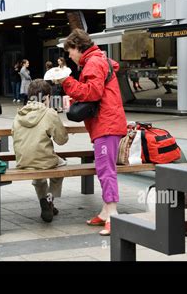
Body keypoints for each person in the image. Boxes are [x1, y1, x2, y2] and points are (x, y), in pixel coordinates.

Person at [55, 29, 127, 236]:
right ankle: (106, 211)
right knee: (104, 167)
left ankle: (113, 214)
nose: (69, 56)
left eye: (70, 52)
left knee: (106, 170)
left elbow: (92, 93)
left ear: (78, 47)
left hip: (107, 124)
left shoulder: (93, 62)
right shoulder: (97, 60)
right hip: (106, 123)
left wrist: (66, 82)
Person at [12, 79, 69, 223]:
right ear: (47, 97)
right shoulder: (49, 113)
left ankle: (43, 200)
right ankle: (49, 198)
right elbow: (62, 141)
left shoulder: (19, 114)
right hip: (44, 160)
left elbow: (14, 133)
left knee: (36, 161)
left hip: (22, 160)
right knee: (61, 165)